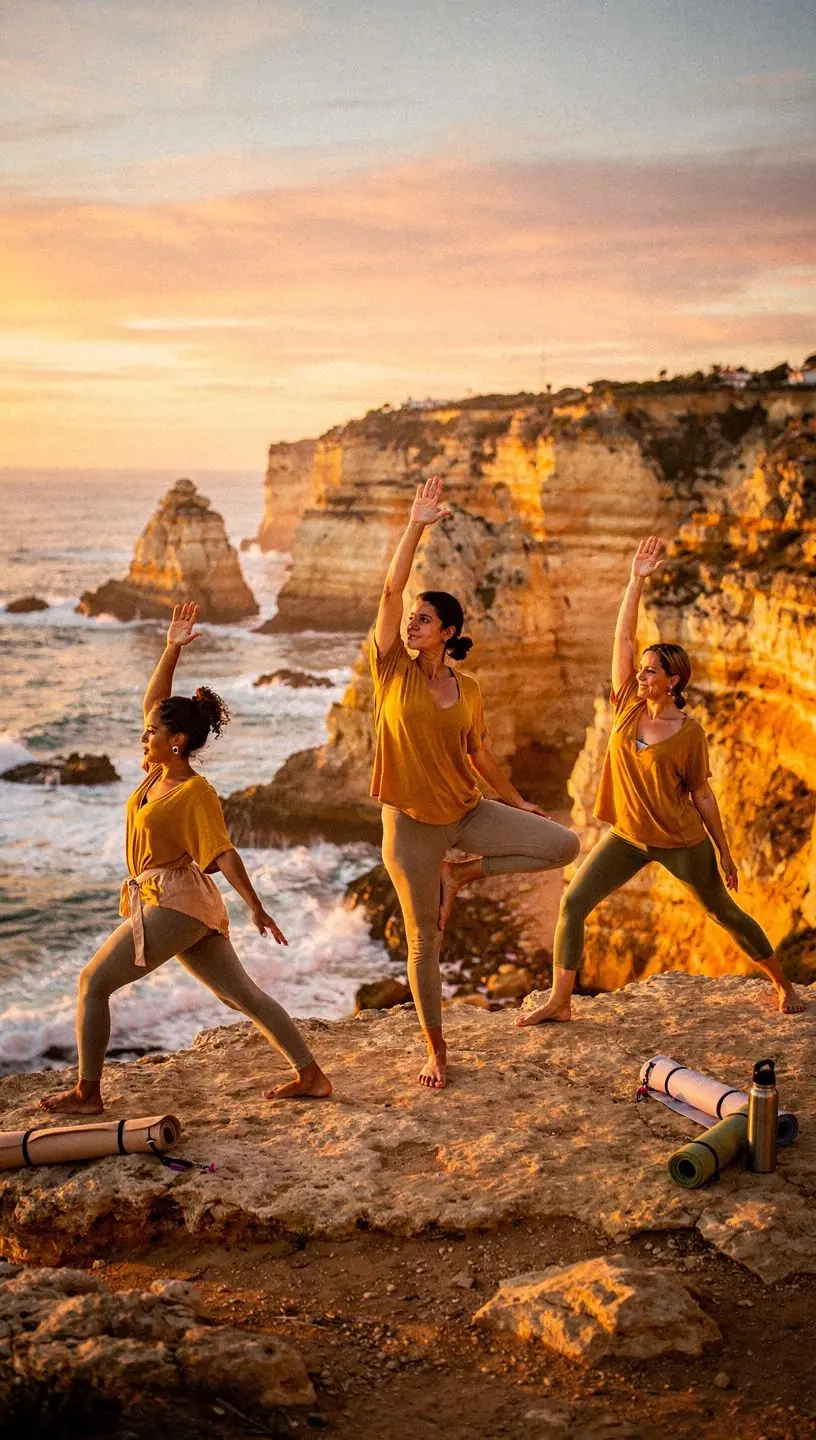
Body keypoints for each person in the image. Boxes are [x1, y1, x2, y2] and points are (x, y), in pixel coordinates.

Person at [41, 602, 331, 1114]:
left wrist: (256, 907)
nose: (143, 734)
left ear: (176, 742)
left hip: (177, 901)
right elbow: (155, 701)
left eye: (152, 732)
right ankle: (311, 1076)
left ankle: (88, 1094)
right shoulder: (157, 772)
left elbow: (222, 852)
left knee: (94, 982)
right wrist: (172, 648)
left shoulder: (195, 793)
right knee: (240, 995)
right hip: (168, 896)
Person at [517, 535, 806, 1027]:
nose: (642, 674)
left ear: (673, 681)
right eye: (643, 669)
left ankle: (782, 984)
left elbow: (703, 795)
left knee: (725, 915)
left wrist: (725, 851)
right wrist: (636, 581)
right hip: (628, 838)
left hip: (680, 841)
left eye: (652, 671)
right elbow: (622, 641)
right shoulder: (628, 704)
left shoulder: (689, 733)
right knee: (573, 902)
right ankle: (560, 1001)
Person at [371, 476, 580, 1090]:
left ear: (447, 631)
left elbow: (480, 756)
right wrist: (416, 524)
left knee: (562, 846)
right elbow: (388, 589)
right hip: (409, 828)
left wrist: (518, 803)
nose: (412, 624)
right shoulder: (391, 672)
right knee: (424, 945)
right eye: (411, 617)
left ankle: (463, 874)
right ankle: (437, 1050)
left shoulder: (470, 690)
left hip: (465, 813)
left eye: (424, 619)